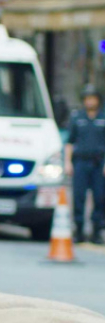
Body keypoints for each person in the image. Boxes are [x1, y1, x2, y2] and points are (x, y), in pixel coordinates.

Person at [65, 84, 105, 245]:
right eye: (87, 98)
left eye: (93, 98)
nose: (90, 102)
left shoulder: (103, 118)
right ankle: (79, 229)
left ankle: (97, 230)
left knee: (100, 197)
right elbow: (69, 142)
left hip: (98, 163)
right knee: (79, 196)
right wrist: (67, 162)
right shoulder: (77, 118)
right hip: (80, 161)